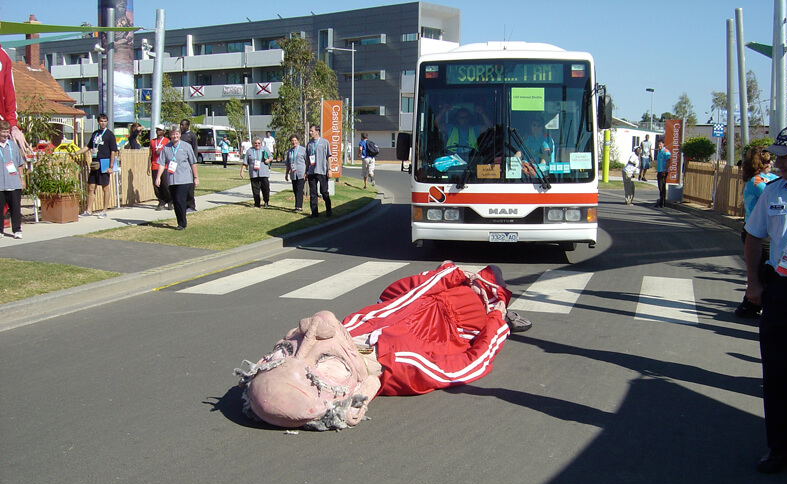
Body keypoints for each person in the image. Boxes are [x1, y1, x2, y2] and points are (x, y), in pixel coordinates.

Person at [234, 262, 532, 431]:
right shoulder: (400, 363)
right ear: (355, 391)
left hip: (432, 292)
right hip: (468, 312)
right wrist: (496, 316)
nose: (317, 322)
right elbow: (472, 362)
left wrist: (451, 274)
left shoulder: (348, 330)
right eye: (321, 359)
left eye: (285, 350)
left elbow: (403, 297)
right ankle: (505, 302)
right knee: (496, 273)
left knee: (397, 293)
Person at [743, 125, 787, 473]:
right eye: (775, 156)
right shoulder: (774, 192)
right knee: (778, 375)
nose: (777, 163)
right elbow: (753, 236)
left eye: (785, 156)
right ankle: (779, 448)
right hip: (783, 290)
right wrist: (753, 284)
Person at [735, 146, 777, 319]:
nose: (772, 163)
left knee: (764, 270)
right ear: (759, 163)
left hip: (768, 232)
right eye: (767, 161)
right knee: (764, 270)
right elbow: (773, 191)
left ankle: (751, 305)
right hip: (755, 232)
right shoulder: (756, 181)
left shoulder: (770, 177)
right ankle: (749, 306)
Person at [155, 125, 199, 230]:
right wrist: (158, 177)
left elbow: (193, 163)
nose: (175, 136)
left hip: (184, 178)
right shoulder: (166, 147)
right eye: (173, 134)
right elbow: (161, 163)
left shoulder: (186, 146)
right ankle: (180, 221)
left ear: (180, 134)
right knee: (175, 201)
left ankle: (182, 223)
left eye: (177, 134)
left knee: (180, 199)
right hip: (172, 178)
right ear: (170, 135)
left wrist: (196, 177)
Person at [76, 113, 117, 218]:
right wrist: (77, 152)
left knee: (105, 187)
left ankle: (104, 210)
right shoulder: (95, 134)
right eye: (101, 121)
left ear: (107, 122)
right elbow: (88, 146)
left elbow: (113, 151)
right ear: (98, 122)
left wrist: (111, 166)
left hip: (104, 162)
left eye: (105, 121)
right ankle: (88, 210)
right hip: (95, 162)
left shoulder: (109, 134)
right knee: (91, 186)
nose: (103, 123)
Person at [0, 120, 26, 239]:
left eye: (6, 132)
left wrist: (22, 179)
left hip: (14, 183)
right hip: (1, 184)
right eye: (3, 132)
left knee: (15, 208)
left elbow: (20, 164)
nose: (5, 135)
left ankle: (17, 230)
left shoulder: (13, 146)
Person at [305, 124, 332, 218]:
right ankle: (314, 212)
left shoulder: (325, 142)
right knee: (313, 193)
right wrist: (306, 171)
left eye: (312, 131)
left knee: (324, 191)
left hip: (322, 171)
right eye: (310, 131)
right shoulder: (309, 144)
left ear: (317, 131)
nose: (310, 132)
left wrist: (330, 169)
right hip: (312, 171)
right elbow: (308, 159)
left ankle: (328, 210)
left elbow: (328, 157)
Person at [240, 136, 272, 208]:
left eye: (259, 143)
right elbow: (245, 162)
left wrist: (268, 160)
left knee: (265, 188)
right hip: (254, 173)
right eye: (255, 143)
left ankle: (266, 201)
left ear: (261, 144)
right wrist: (242, 171)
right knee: (255, 189)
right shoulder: (249, 151)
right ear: (253, 144)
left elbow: (271, 156)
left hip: (263, 172)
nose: (257, 144)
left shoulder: (265, 149)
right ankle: (257, 203)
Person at [148, 124, 172, 211]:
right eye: (157, 130)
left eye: (160, 130)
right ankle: (161, 200)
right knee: (156, 185)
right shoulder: (152, 141)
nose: (158, 131)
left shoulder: (167, 141)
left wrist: (161, 152)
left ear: (164, 131)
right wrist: (148, 167)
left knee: (165, 184)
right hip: (154, 165)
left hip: (164, 166)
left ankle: (170, 200)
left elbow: (170, 152)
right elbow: (150, 154)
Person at [179, 119, 199, 212]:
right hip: (180, 164)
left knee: (189, 185)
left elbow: (195, 149)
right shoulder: (180, 135)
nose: (181, 126)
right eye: (180, 125)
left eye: (183, 125)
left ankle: (191, 205)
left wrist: (193, 162)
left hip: (189, 163)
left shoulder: (192, 135)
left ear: (187, 126)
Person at [284, 134, 307, 213]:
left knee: (299, 190)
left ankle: (299, 206)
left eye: (295, 140)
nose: (294, 142)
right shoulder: (289, 151)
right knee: (295, 189)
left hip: (301, 172)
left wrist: (306, 173)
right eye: (292, 141)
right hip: (293, 173)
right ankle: (297, 205)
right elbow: (288, 164)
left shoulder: (303, 150)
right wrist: (286, 173)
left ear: (298, 141)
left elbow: (307, 162)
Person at [655, 140, 671, 208]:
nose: (659, 145)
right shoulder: (659, 152)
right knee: (660, 187)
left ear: (663, 144)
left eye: (660, 144)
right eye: (658, 144)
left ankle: (663, 202)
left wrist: (665, 170)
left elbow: (668, 161)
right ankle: (661, 202)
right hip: (659, 171)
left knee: (662, 187)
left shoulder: (666, 151)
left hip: (663, 171)